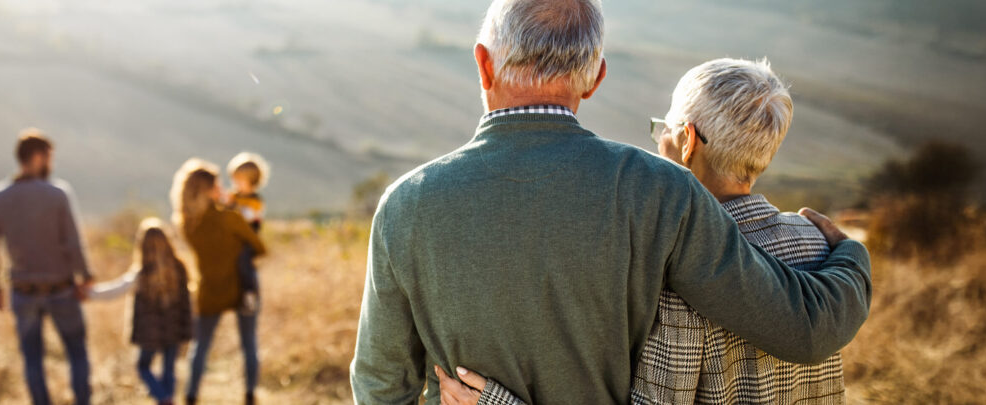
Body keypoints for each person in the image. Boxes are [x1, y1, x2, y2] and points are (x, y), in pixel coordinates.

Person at [348, 1, 872, 404]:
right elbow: (800, 327)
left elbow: (380, 384)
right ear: (596, 78)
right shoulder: (662, 191)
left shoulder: (405, 205)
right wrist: (850, 257)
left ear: (483, 66)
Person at [437, 58, 849, 404]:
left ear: (687, 142)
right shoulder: (818, 244)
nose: (658, 144)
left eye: (663, 130)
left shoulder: (678, 270)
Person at [0, 128, 95, 405]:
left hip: (22, 290)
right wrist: (86, 276)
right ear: (38, 156)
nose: (50, 163)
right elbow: (73, 243)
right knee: (77, 353)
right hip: (61, 288)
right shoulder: (57, 193)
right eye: (49, 157)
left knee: (32, 359)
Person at [172, 158, 268, 405]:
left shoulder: (187, 224)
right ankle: (249, 394)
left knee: (200, 347)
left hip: (210, 289)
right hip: (242, 287)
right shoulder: (230, 218)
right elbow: (259, 247)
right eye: (217, 185)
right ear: (208, 189)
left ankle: (191, 395)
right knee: (249, 344)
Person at [89, 218, 195, 405]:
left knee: (143, 366)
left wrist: (88, 293)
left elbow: (116, 289)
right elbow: (188, 302)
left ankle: (163, 398)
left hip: (149, 332)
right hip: (174, 329)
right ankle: (167, 397)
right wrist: (188, 327)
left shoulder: (142, 272)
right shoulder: (179, 268)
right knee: (169, 369)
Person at [225, 152, 270, 315]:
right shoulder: (234, 196)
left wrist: (233, 207)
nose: (235, 184)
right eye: (234, 179)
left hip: (248, 240)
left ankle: (249, 294)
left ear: (252, 181)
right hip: (234, 240)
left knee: (244, 262)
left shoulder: (255, 201)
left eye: (239, 180)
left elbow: (249, 217)